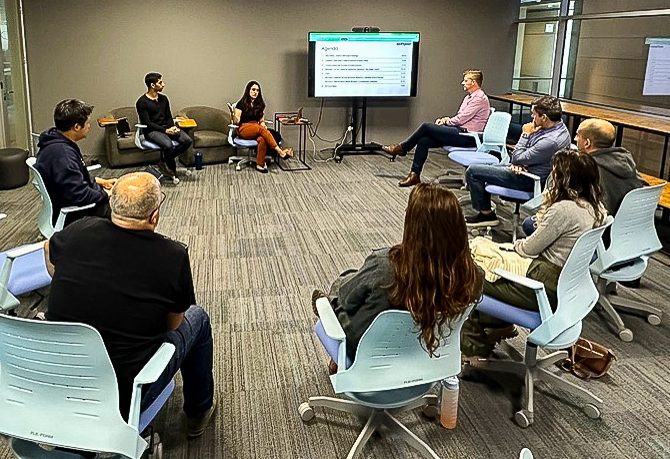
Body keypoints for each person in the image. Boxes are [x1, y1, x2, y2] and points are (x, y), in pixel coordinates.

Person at [44, 172, 215, 439]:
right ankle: (199, 410)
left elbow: (48, 249)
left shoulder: (79, 230)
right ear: (154, 216)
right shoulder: (172, 256)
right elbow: (174, 324)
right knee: (199, 318)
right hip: (126, 395)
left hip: (62, 383)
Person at [312, 183, 484, 369]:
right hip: (425, 354)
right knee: (362, 282)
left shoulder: (386, 265)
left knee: (344, 284)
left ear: (414, 226)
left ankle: (326, 304)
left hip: (365, 350)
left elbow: (348, 299)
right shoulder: (473, 276)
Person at [461, 149, 607, 358]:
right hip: (567, 285)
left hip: (543, 283)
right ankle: (496, 325)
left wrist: (513, 246)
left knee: (467, 274)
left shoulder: (564, 210)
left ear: (563, 179)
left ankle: (473, 348)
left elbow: (529, 249)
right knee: (488, 260)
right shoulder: (596, 208)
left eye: (554, 173)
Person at [522, 118, 645, 236]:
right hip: (626, 232)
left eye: (577, 135)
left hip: (596, 232)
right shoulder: (626, 162)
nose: (575, 138)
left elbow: (561, 206)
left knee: (530, 223)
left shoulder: (586, 170)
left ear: (587, 143)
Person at [464, 95, 571, 227]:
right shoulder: (557, 127)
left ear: (544, 117)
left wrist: (525, 135)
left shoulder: (551, 140)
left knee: (473, 171)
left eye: (534, 115)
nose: (532, 118)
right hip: (525, 168)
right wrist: (520, 162)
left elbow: (516, 156)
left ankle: (486, 215)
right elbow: (522, 156)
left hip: (529, 179)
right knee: (484, 168)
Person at [382, 69, 490, 187]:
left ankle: (402, 148)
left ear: (473, 82)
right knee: (423, 141)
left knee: (426, 127)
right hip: (460, 132)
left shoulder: (479, 98)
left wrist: (447, 121)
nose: (462, 83)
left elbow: (461, 119)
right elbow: (460, 117)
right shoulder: (469, 97)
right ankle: (414, 175)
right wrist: (446, 120)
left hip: (469, 137)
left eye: (465, 81)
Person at [35, 99, 116, 227]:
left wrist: (100, 181)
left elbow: (73, 177)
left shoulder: (55, 141)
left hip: (65, 202)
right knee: (129, 209)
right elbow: (79, 194)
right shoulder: (63, 155)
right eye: (87, 123)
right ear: (77, 127)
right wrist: (106, 194)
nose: (89, 126)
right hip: (76, 213)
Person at [136, 72, 193, 179]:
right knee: (168, 145)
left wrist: (173, 127)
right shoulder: (141, 102)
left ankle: (163, 161)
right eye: (160, 82)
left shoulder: (164, 99)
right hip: (151, 131)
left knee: (187, 140)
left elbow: (168, 116)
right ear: (152, 85)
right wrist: (165, 131)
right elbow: (147, 123)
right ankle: (172, 170)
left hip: (167, 128)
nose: (163, 84)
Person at [232, 80, 293, 173]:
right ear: (248, 90)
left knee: (262, 139)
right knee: (260, 129)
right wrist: (234, 116)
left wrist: (263, 124)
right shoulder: (241, 104)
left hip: (256, 127)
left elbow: (261, 121)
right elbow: (236, 122)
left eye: (257, 90)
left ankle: (259, 165)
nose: (255, 92)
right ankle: (279, 151)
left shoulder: (260, 105)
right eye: (253, 89)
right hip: (243, 129)